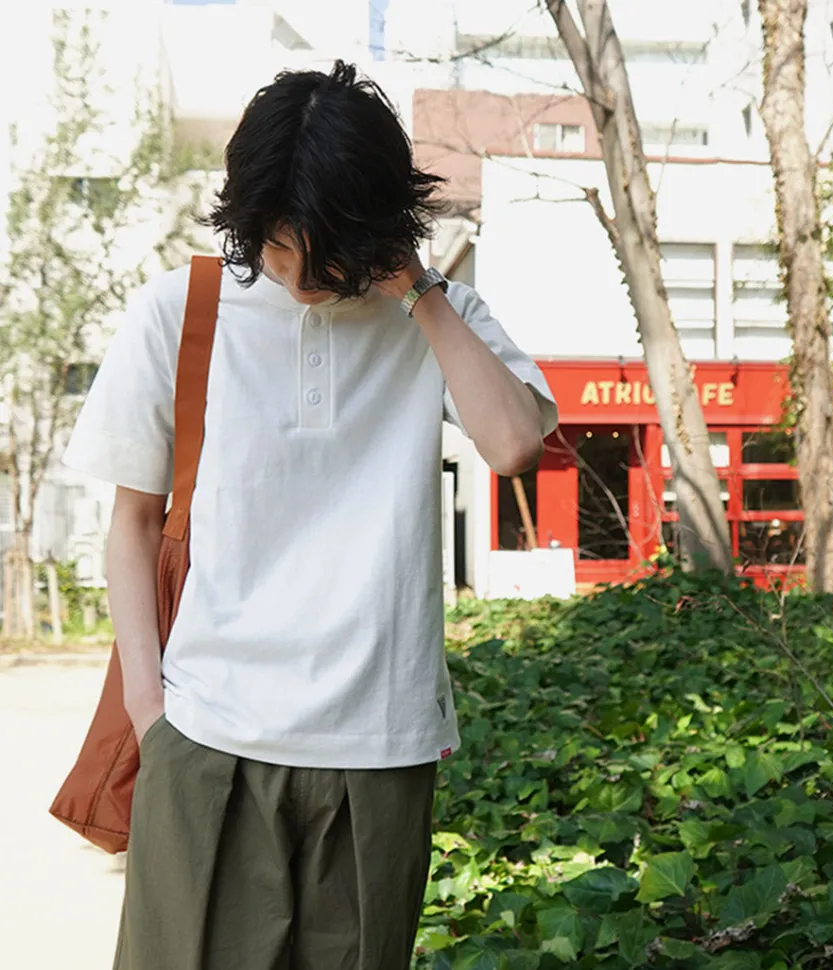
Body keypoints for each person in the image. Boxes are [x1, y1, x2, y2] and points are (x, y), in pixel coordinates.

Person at [63, 62, 558, 970]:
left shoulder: (434, 318)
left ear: (378, 227)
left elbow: (514, 444)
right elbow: (131, 523)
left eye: (324, 255)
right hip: (207, 737)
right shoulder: (184, 311)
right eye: (279, 250)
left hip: (381, 748)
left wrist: (418, 289)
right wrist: (150, 713)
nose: (298, 280)